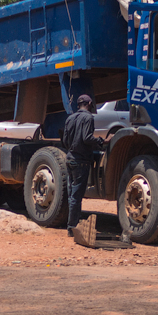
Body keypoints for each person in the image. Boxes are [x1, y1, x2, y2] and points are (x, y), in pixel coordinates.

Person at [62, 94, 98, 236]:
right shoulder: (88, 117)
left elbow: (64, 140)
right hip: (81, 162)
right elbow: (87, 138)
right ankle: (72, 228)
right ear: (89, 103)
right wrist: (99, 141)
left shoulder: (70, 118)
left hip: (70, 159)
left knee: (72, 195)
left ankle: (73, 225)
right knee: (76, 197)